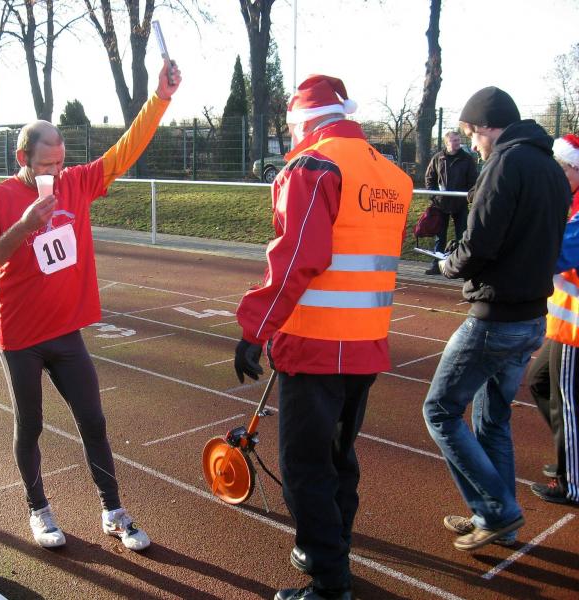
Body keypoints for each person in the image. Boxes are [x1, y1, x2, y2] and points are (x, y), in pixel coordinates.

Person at [0, 59, 181, 552]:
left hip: (66, 332)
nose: (54, 172)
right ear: (22, 156)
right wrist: (23, 226)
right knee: (30, 426)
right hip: (21, 336)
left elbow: (124, 151)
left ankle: (113, 511)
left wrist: (160, 98)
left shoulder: (77, 183)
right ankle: (38, 510)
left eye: (60, 162)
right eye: (46, 164)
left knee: (94, 421)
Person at [234, 74, 412, 600]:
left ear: (303, 122)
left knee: (305, 469)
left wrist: (255, 328)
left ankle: (329, 581)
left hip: (315, 346)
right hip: (367, 342)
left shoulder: (315, 166)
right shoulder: (390, 175)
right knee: (339, 459)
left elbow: (295, 258)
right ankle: (334, 549)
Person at [422, 87, 571, 551]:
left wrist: (450, 265)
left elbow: (480, 243)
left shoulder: (505, 163)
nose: (472, 143)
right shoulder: (550, 168)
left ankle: (496, 510)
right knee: (491, 420)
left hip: (496, 318)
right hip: (532, 317)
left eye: (472, 133)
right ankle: (498, 518)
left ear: (486, 126)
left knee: (440, 410)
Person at [526, 133, 579, 506]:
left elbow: (558, 255)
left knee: (567, 402)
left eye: (562, 168)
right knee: (541, 382)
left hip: (574, 327)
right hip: (564, 322)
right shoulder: (571, 204)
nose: (557, 175)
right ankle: (569, 454)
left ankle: (572, 482)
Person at [423, 130, 478, 275]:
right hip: (441, 204)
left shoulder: (467, 159)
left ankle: (461, 266)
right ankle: (437, 265)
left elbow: (473, 180)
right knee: (440, 236)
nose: (457, 143)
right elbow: (429, 178)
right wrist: (434, 196)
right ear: (446, 143)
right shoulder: (438, 158)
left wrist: (467, 197)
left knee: (462, 236)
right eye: (454, 140)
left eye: (458, 140)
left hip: (460, 203)